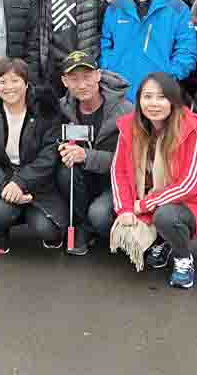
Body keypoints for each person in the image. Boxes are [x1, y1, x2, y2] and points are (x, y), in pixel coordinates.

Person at [111, 72, 197, 289]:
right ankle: (164, 240)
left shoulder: (192, 129)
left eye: (161, 97)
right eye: (147, 96)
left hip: (191, 204)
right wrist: (125, 209)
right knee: (103, 217)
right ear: (139, 100)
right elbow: (118, 171)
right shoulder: (129, 126)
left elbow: (190, 185)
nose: (153, 104)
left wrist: (144, 205)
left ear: (174, 100)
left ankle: (183, 258)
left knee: (166, 217)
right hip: (147, 197)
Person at [0, 57, 67, 254]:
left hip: (39, 183)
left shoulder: (45, 109)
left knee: (49, 230)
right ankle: (0, 231)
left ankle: (29, 212)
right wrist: (5, 186)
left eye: (15, 80)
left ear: (26, 83)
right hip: (3, 179)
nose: (9, 87)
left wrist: (21, 182)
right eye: (2, 81)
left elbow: (49, 154)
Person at [55, 50, 132, 255]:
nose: (81, 85)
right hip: (81, 181)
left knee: (99, 215)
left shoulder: (126, 111)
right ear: (64, 82)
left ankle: (109, 230)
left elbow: (132, 162)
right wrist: (61, 149)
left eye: (87, 77)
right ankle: (82, 226)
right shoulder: (61, 109)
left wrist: (87, 156)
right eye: (74, 79)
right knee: (65, 171)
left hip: (115, 183)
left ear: (98, 75)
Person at [100, 0, 197, 101]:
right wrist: (111, 71)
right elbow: (105, 44)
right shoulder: (115, 8)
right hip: (122, 91)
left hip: (160, 92)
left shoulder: (177, 8)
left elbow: (186, 49)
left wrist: (170, 76)